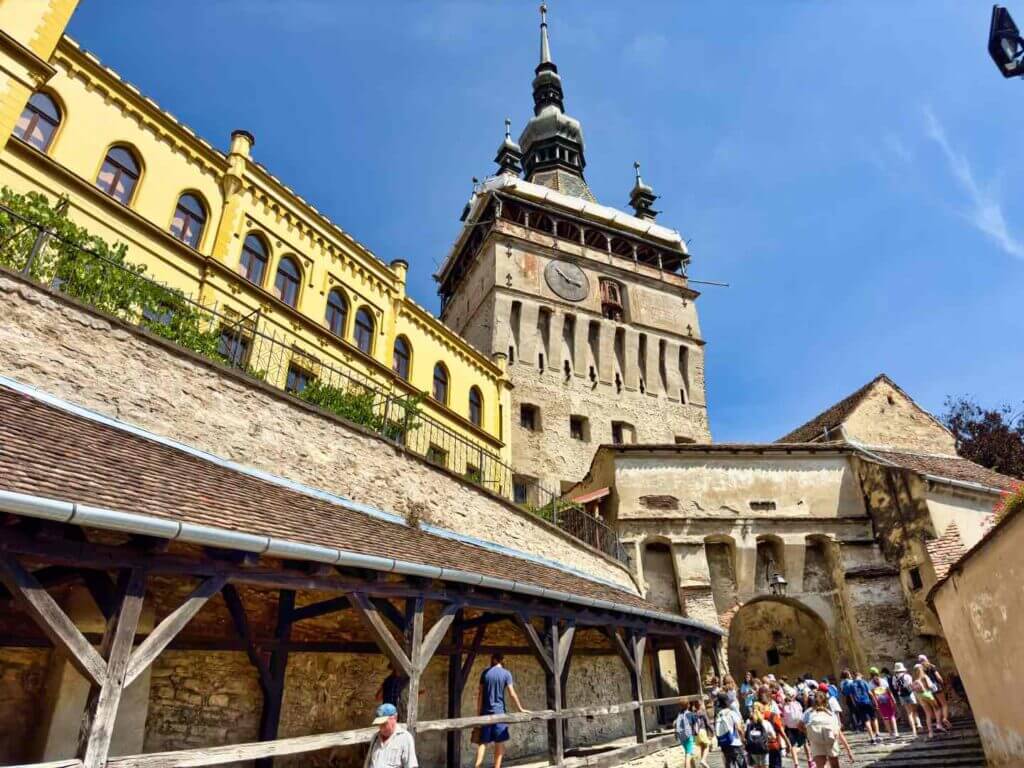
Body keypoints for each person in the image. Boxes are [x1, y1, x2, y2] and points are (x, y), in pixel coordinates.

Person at [474, 654, 529, 768]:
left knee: (483, 742)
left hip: (485, 712)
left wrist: (478, 713)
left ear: (493, 660)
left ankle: (477, 766)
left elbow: (480, 694)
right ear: (502, 660)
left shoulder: (485, 673)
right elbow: (512, 693)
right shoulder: (506, 674)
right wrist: (520, 708)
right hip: (499, 712)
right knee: (499, 742)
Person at [801, 691, 854, 768]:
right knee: (835, 765)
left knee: (820, 766)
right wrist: (848, 750)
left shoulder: (808, 712)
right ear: (826, 702)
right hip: (830, 741)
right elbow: (838, 733)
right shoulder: (830, 714)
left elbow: (799, 725)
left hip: (816, 742)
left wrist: (808, 733)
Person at [364, 703, 418, 768]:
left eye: (384, 723)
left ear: (395, 718)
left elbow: (411, 765)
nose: (381, 727)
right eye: (379, 724)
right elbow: (368, 763)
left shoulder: (405, 738)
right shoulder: (375, 737)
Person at [757, 692, 794, 768]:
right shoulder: (773, 716)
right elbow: (781, 731)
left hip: (758, 747)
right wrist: (788, 743)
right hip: (773, 745)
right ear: (769, 704)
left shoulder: (754, 716)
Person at [918, 655, 952, 730]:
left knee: (936, 707)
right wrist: (942, 683)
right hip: (936, 687)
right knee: (944, 704)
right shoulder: (931, 666)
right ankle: (945, 718)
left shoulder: (920, 670)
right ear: (926, 659)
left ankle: (938, 723)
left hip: (928, 689)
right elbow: (938, 677)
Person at [715, 691, 747, 768]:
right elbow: (739, 728)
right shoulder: (731, 713)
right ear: (727, 702)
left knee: (728, 764)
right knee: (742, 764)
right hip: (735, 743)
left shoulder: (718, 715)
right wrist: (743, 739)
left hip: (724, 743)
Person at [911, 663, 942, 739]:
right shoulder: (924, 676)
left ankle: (930, 732)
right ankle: (938, 724)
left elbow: (914, 690)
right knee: (937, 708)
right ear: (921, 669)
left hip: (920, 697)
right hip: (928, 694)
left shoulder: (914, 679)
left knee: (928, 714)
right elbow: (930, 686)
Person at [847, 672, 879, 744]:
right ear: (859, 676)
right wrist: (875, 701)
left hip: (859, 704)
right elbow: (869, 693)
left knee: (866, 721)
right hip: (868, 702)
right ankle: (877, 734)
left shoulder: (851, 685)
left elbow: (851, 696)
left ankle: (872, 738)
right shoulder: (864, 682)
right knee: (874, 718)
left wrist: (855, 704)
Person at [891, 662, 919, 737]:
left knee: (909, 713)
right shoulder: (907, 676)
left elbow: (895, 687)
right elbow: (911, 685)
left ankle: (914, 730)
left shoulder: (894, 677)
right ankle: (919, 724)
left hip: (902, 696)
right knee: (915, 710)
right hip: (910, 694)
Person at [744, 702, 776, 767]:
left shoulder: (748, 722)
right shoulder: (766, 723)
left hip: (752, 749)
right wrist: (767, 738)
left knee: (756, 766)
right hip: (763, 748)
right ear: (762, 711)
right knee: (765, 766)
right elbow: (774, 736)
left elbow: (745, 736)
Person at [869, 668, 898, 738]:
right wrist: (893, 699)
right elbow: (889, 691)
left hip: (880, 701)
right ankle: (896, 732)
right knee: (892, 716)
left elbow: (873, 695)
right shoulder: (883, 680)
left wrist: (875, 703)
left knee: (885, 718)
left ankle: (890, 733)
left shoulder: (870, 683)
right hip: (887, 699)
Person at [782, 691, 808, 768]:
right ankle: (810, 760)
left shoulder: (785, 707)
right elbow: (802, 713)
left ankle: (796, 764)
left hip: (791, 728)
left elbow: (784, 720)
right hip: (800, 726)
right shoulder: (797, 704)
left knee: (793, 745)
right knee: (805, 743)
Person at [690, 698, 714, 768]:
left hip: (696, 733)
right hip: (702, 731)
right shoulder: (702, 712)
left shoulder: (693, 714)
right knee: (707, 746)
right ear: (700, 705)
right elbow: (708, 723)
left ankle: (703, 764)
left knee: (702, 747)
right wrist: (713, 731)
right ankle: (703, 760)